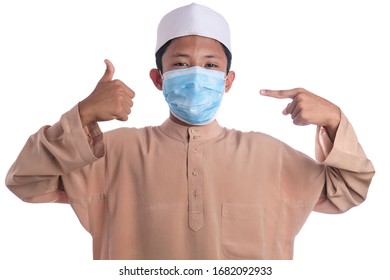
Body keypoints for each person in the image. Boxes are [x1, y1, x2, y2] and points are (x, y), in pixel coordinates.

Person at [5, 3, 374, 260]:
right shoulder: (112, 153)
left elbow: (349, 192)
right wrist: (82, 115)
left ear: (227, 81)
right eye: (181, 63)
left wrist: (335, 121)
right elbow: (26, 182)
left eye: (210, 64)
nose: (197, 74)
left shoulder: (269, 155)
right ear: (158, 78)